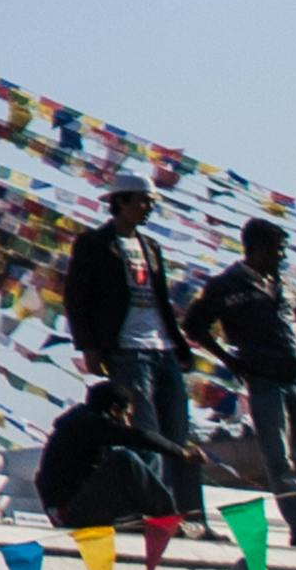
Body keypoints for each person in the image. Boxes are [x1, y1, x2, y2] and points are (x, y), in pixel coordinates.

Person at [183, 218, 296, 499]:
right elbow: (194, 326)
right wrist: (228, 359)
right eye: (278, 249)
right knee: (279, 461)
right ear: (257, 249)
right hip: (264, 381)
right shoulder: (225, 285)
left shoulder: (285, 285)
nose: (282, 256)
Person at [60, 183, 198, 483]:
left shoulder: (151, 246)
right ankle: (151, 507)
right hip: (126, 348)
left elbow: (162, 301)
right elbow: (76, 297)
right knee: (143, 432)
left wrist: (181, 346)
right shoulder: (95, 243)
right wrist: (89, 347)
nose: (148, 208)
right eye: (143, 201)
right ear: (121, 202)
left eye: (151, 202)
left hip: (163, 346)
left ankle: (185, 512)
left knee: (176, 433)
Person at [36, 373, 202, 531]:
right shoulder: (84, 423)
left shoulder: (88, 427)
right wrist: (182, 453)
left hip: (87, 501)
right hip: (70, 513)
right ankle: (168, 518)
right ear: (115, 410)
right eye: (127, 416)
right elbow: (139, 437)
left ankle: (146, 517)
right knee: (124, 459)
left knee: (150, 456)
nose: (128, 423)